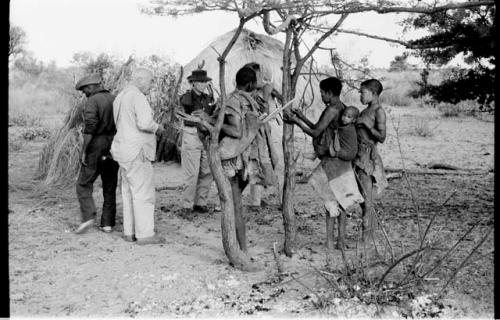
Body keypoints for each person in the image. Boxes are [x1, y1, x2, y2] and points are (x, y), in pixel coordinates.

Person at [287, 77, 363, 250]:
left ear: (329, 92)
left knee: (331, 201)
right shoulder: (342, 108)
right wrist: (302, 117)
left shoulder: (333, 109)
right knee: (342, 201)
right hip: (342, 163)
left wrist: (295, 122)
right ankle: (341, 241)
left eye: (322, 93)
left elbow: (315, 132)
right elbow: (318, 126)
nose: (321, 95)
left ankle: (330, 241)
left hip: (333, 162)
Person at [110, 67, 166, 245]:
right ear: (140, 79)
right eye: (150, 82)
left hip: (123, 150)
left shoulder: (120, 96)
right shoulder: (137, 97)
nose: (151, 86)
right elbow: (145, 123)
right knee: (143, 193)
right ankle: (145, 234)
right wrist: (159, 128)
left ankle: (129, 232)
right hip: (137, 151)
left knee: (128, 192)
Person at [74, 74, 120, 235]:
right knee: (109, 184)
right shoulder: (116, 98)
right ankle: (107, 224)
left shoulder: (92, 101)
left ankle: (88, 217)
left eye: (85, 89)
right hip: (115, 144)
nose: (84, 92)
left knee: (83, 183)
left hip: (97, 145)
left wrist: (84, 150)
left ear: (92, 86)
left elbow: (90, 127)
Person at [243, 62, 283, 210]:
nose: (258, 78)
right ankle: (255, 202)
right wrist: (266, 95)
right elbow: (261, 111)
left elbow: (283, 100)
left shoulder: (267, 87)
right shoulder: (249, 94)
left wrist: (272, 91)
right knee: (256, 164)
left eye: (258, 75)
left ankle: (282, 201)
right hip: (256, 132)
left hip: (272, 131)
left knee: (277, 162)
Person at [354, 79, 389, 241]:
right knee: (362, 198)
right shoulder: (366, 110)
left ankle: (367, 238)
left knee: (367, 199)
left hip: (367, 158)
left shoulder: (378, 111)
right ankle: (368, 234)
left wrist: (367, 126)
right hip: (358, 156)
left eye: (363, 92)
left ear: (373, 93)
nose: (360, 94)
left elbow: (381, 137)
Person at [179, 69, 216, 216]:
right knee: (191, 173)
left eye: (205, 81)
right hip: (192, 134)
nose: (203, 84)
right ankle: (187, 205)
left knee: (207, 172)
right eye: (200, 81)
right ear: (193, 82)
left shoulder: (208, 98)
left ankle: (201, 202)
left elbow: (212, 115)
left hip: (205, 135)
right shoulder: (187, 97)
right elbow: (184, 109)